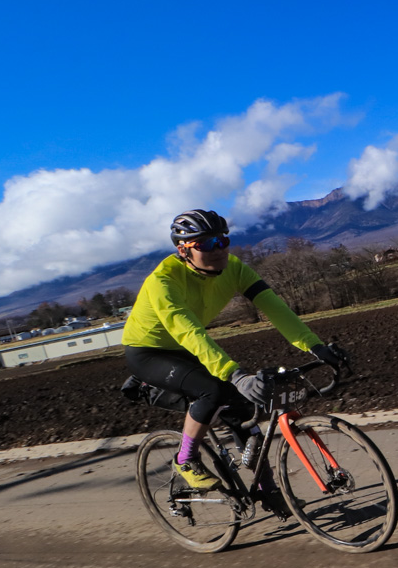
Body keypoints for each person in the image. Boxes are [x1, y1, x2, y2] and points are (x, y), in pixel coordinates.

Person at [123, 209, 346, 504]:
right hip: (149, 352)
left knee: (243, 407)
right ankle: (185, 459)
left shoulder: (236, 269)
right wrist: (235, 374)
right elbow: (189, 332)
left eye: (222, 241)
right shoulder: (162, 282)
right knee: (212, 390)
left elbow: (276, 308)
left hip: (187, 348)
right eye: (204, 244)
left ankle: (267, 489)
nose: (218, 250)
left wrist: (315, 346)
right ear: (183, 250)